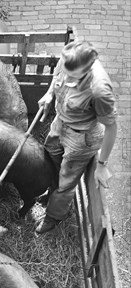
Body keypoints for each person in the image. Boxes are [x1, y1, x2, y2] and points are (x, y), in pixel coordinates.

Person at [35, 40, 118, 234]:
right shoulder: (69, 59)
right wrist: (49, 94)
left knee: (67, 179)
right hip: (60, 123)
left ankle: (54, 215)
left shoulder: (100, 90)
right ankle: (51, 192)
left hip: (81, 138)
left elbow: (112, 128)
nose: (67, 76)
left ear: (87, 70)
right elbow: (57, 75)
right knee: (50, 157)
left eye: (73, 76)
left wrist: (102, 165)